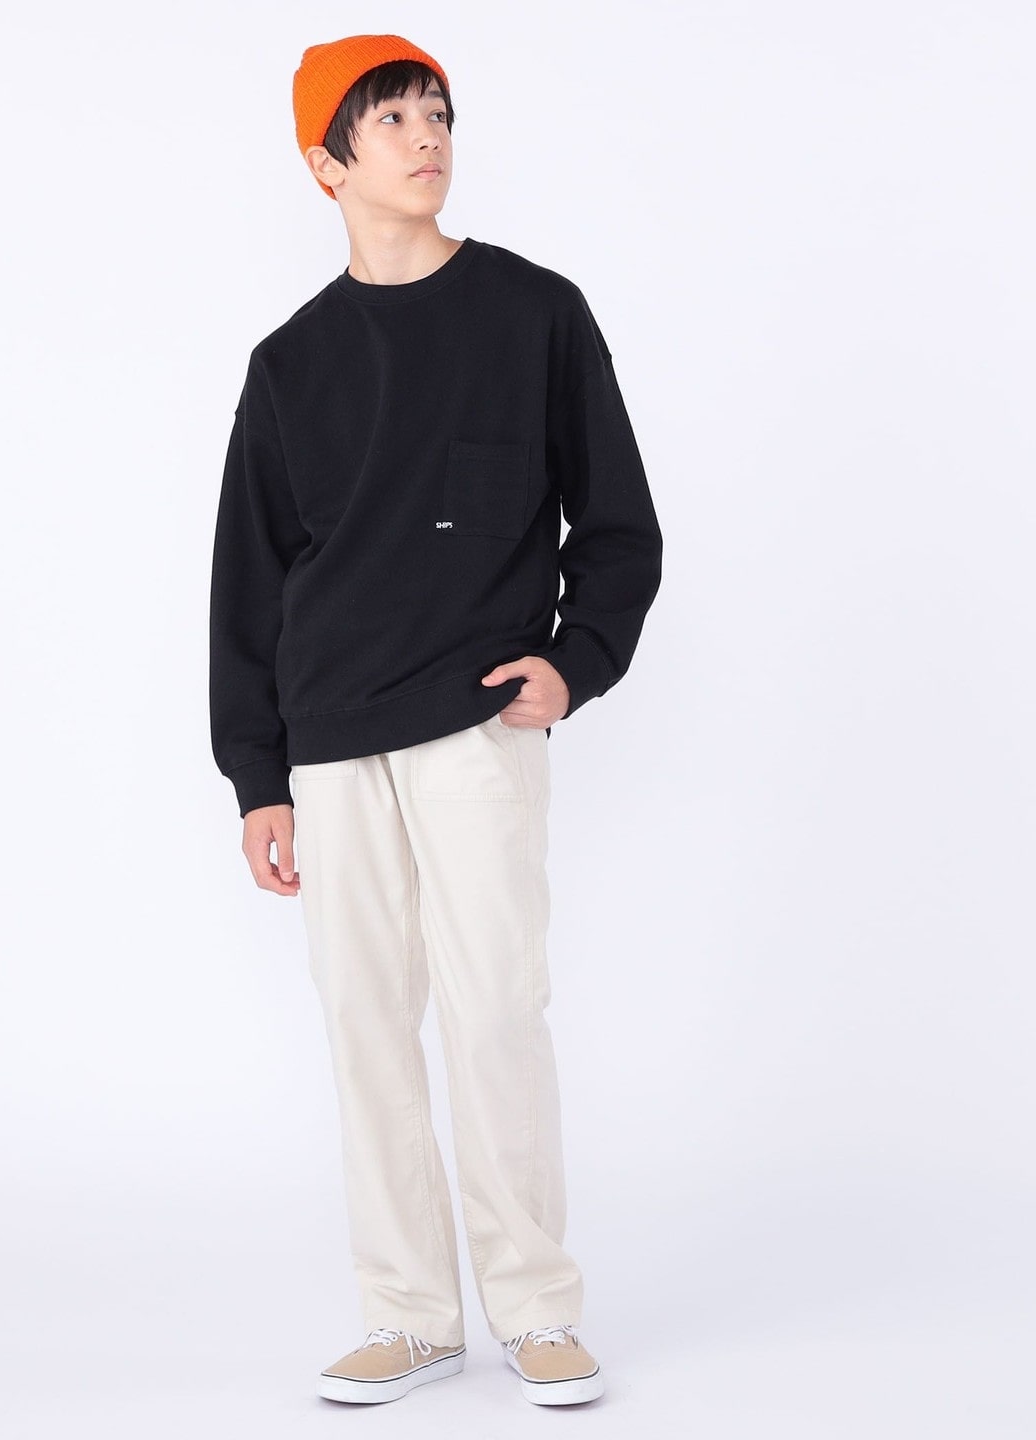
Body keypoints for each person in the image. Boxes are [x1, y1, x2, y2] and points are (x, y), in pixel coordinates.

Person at [209, 32, 663, 1407]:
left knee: (497, 1014)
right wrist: (258, 777)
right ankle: (409, 1314)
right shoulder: (290, 364)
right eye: (392, 119)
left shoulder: (535, 314)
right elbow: (248, 586)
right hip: (331, 739)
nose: (427, 138)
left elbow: (620, 522)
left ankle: (535, 1306)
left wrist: (575, 664)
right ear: (325, 164)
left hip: (476, 728)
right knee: (365, 1023)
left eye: (437, 113)